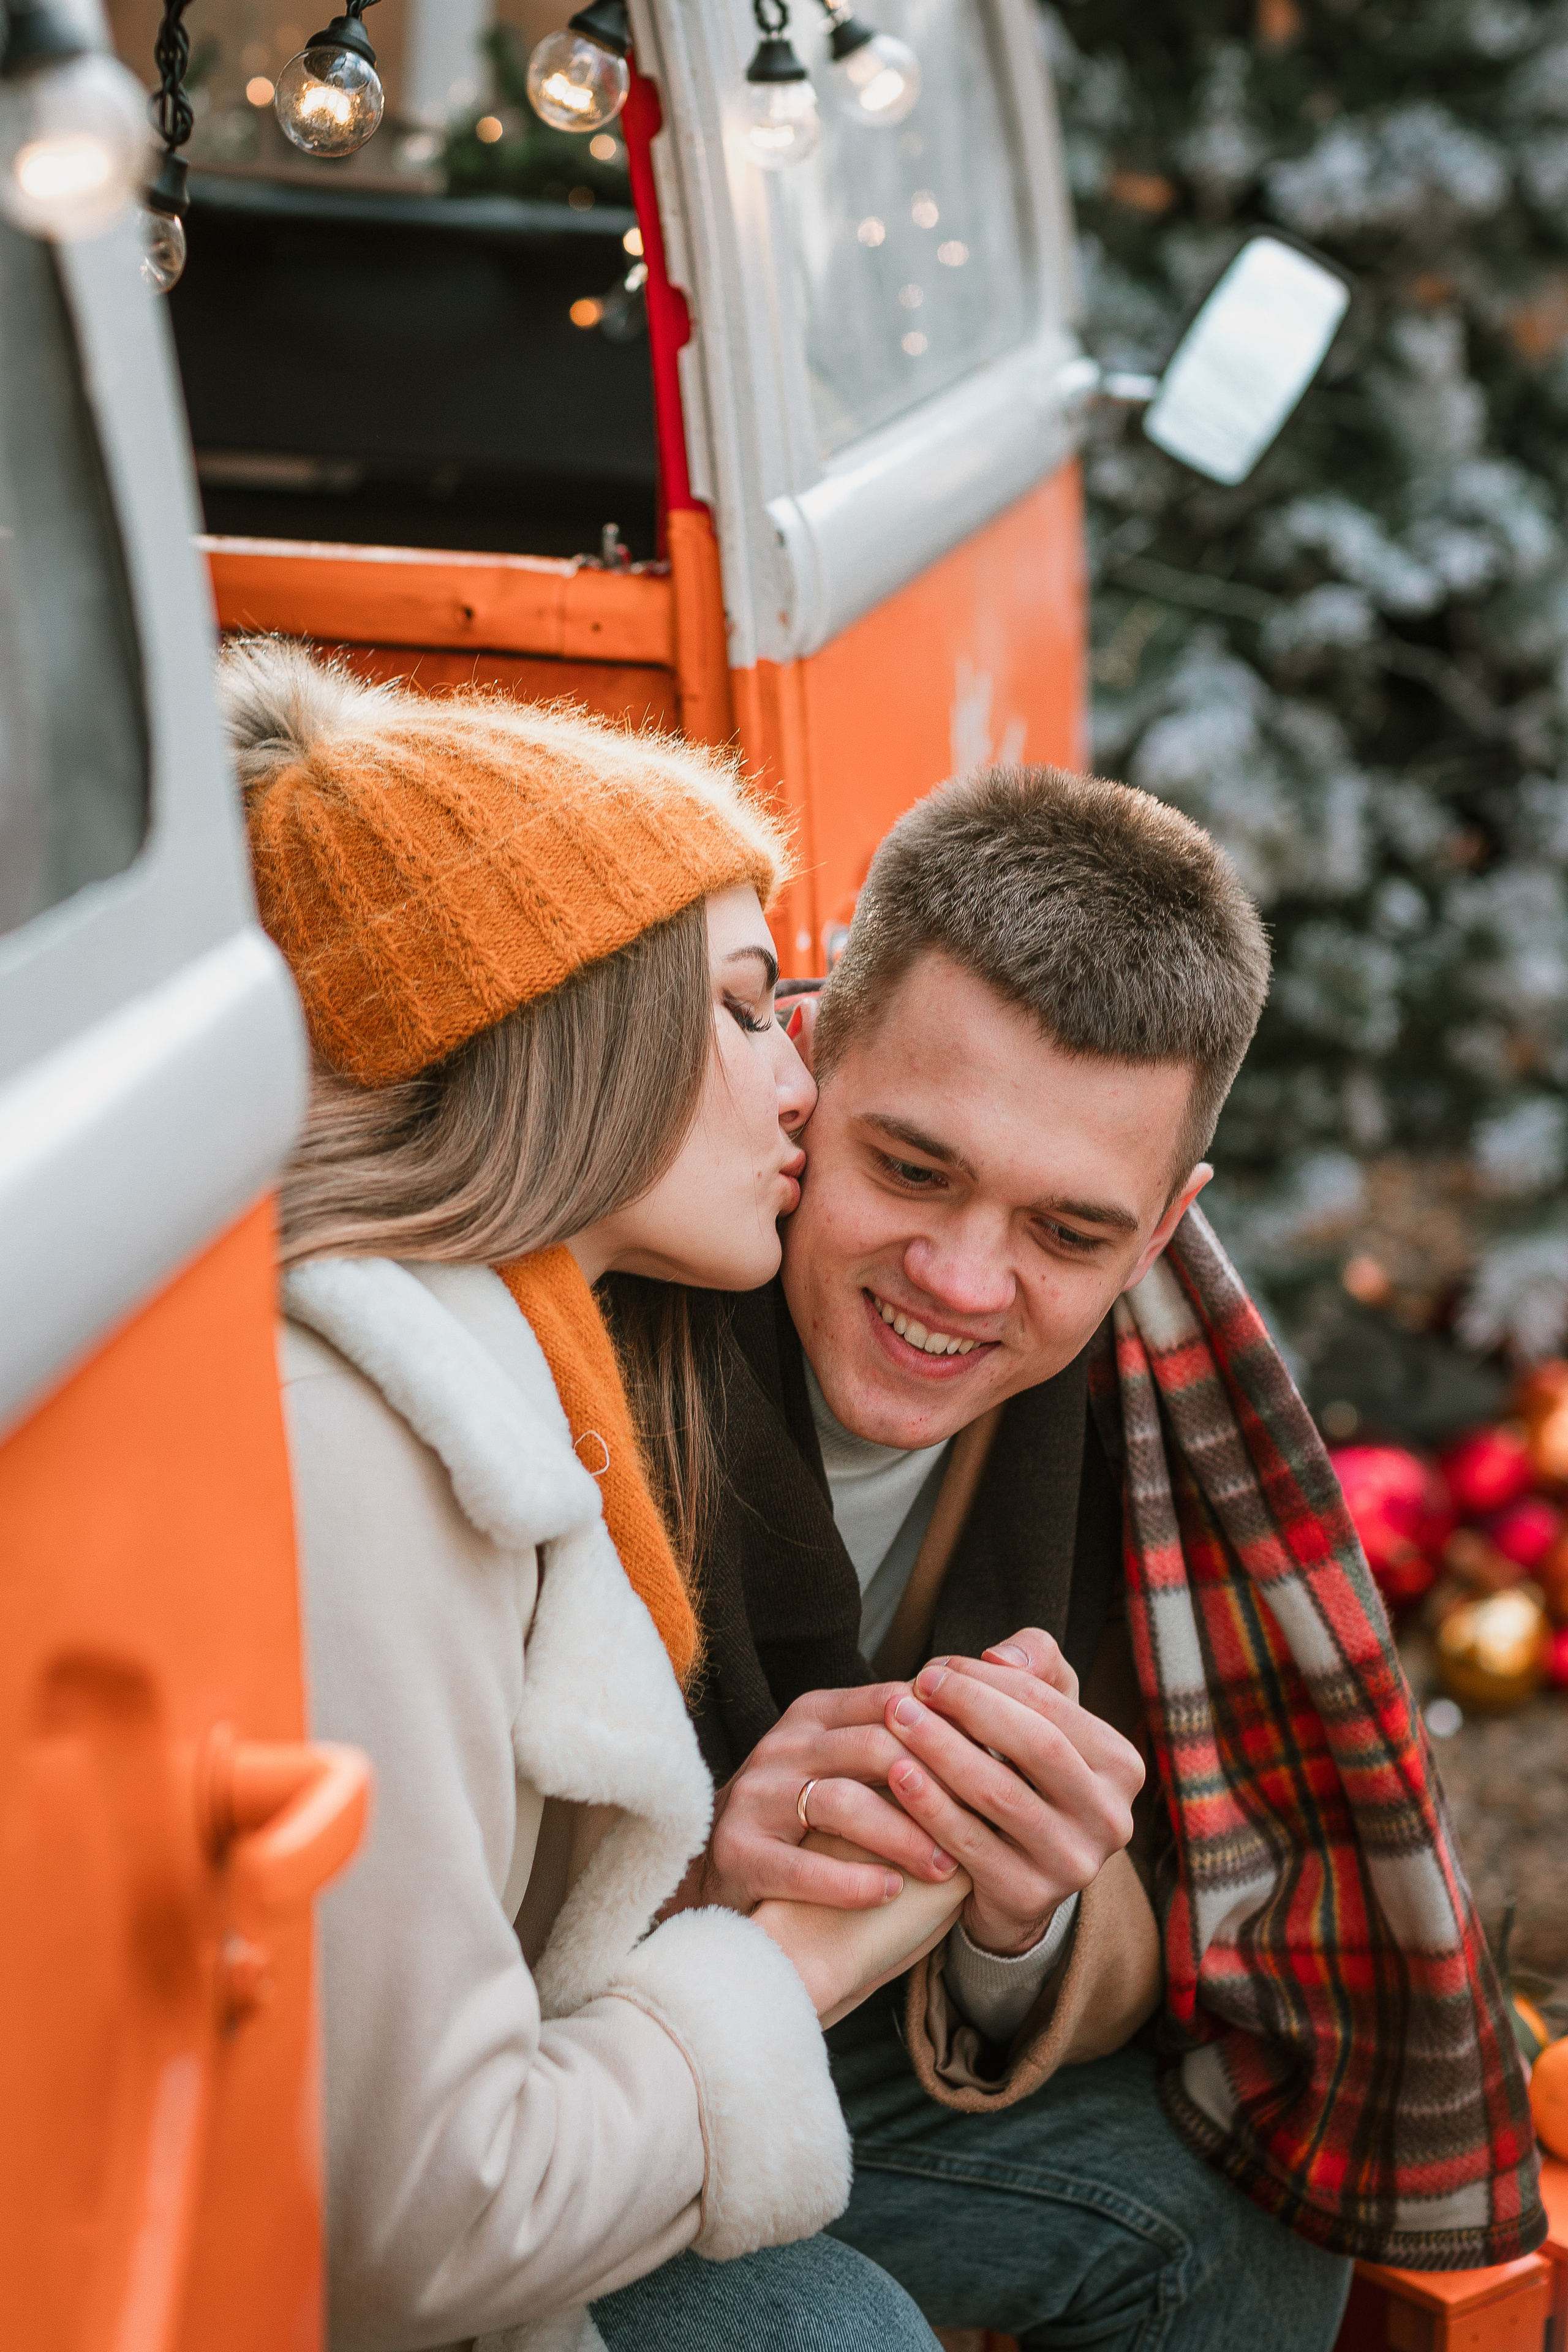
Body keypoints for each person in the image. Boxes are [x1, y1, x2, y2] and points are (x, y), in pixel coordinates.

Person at [595, 763, 1543, 2352]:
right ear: (807, 1067)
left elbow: (1151, 1926)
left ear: (1167, 1227)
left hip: (840, 2038)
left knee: (1240, 2237)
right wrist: (692, 1874)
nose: (963, 1281)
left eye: (1069, 1233)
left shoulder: (1153, 1415)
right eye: (912, 1167)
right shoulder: (612, 1295)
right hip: (542, 2073)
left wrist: (1022, 1922)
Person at [219, 641, 963, 2352]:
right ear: (564, 1015)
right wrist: (804, 1962)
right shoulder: (361, 1437)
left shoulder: (500, 1364)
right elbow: (421, 2224)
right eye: (741, 1001)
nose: (804, 1079)